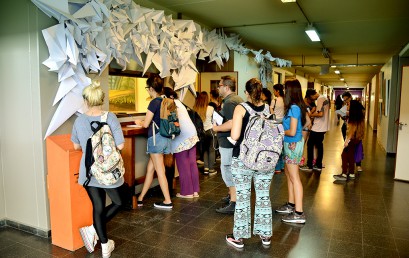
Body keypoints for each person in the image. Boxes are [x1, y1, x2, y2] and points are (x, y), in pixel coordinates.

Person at [71, 81, 124, 258]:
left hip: (89, 171)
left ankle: (104, 246)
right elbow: (121, 145)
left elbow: (76, 146)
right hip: (109, 171)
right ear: (102, 99)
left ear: (86, 100)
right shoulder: (111, 117)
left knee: (98, 208)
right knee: (118, 202)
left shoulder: (79, 121)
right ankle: (99, 236)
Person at [225, 78, 274, 248]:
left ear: (246, 92)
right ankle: (265, 235)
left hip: (243, 159)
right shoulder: (268, 108)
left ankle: (239, 237)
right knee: (263, 196)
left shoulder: (241, 108)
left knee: (243, 198)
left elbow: (236, 135)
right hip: (265, 159)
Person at [134, 74, 173, 209]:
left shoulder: (154, 102)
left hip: (156, 140)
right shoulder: (166, 100)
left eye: (147, 88)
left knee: (160, 171)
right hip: (166, 138)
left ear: (151, 88)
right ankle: (140, 198)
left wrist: (139, 122)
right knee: (150, 169)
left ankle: (167, 201)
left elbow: (146, 124)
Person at [275, 79, 307, 224]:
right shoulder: (295, 107)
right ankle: (291, 204)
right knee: (289, 175)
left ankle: (299, 213)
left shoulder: (294, 108)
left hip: (293, 143)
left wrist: (279, 130)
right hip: (290, 143)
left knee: (294, 177)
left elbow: (293, 131)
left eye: (285, 89)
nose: (283, 91)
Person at [212, 75, 243, 214]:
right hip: (233, 142)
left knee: (228, 170)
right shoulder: (237, 99)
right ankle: (232, 195)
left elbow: (231, 123)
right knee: (231, 170)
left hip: (229, 142)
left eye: (219, 85)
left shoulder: (230, 102)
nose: (218, 88)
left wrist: (216, 128)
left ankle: (234, 202)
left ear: (226, 87)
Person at [163, 87, 201, 198]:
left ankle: (187, 192)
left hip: (182, 136)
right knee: (192, 163)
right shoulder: (179, 102)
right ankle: (195, 191)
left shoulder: (169, 103)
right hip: (192, 133)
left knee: (183, 163)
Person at [333, 100, 365, 180]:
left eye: (349, 105)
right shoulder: (360, 116)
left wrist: (347, 141)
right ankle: (351, 173)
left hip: (352, 139)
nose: (348, 106)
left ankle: (344, 174)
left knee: (344, 155)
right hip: (357, 139)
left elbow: (352, 130)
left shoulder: (353, 118)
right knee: (350, 156)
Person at [299, 90, 330, 173]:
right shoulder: (324, 97)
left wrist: (310, 115)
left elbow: (320, 114)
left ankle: (309, 165)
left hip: (318, 127)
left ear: (312, 95)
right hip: (323, 126)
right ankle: (318, 165)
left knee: (310, 144)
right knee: (319, 145)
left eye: (311, 98)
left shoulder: (320, 99)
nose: (313, 100)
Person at [194, 91, 217, 175]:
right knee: (211, 150)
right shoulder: (211, 108)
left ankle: (206, 168)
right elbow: (215, 120)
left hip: (202, 133)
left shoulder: (196, 109)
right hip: (210, 131)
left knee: (204, 150)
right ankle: (211, 169)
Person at [299, 89, 319, 166]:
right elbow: (306, 115)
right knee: (303, 142)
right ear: (309, 95)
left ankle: (314, 159)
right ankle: (301, 159)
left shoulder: (313, 103)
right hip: (305, 125)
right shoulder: (302, 103)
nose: (315, 96)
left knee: (313, 143)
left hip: (313, 125)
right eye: (314, 95)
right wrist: (313, 112)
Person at [271, 83, 285, 173]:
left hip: (275, 124)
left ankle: (277, 168)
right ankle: (283, 165)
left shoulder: (274, 100)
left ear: (277, 91)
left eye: (274, 90)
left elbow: (272, 113)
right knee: (282, 145)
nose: (274, 92)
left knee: (276, 146)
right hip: (284, 124)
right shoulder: (285, 100)